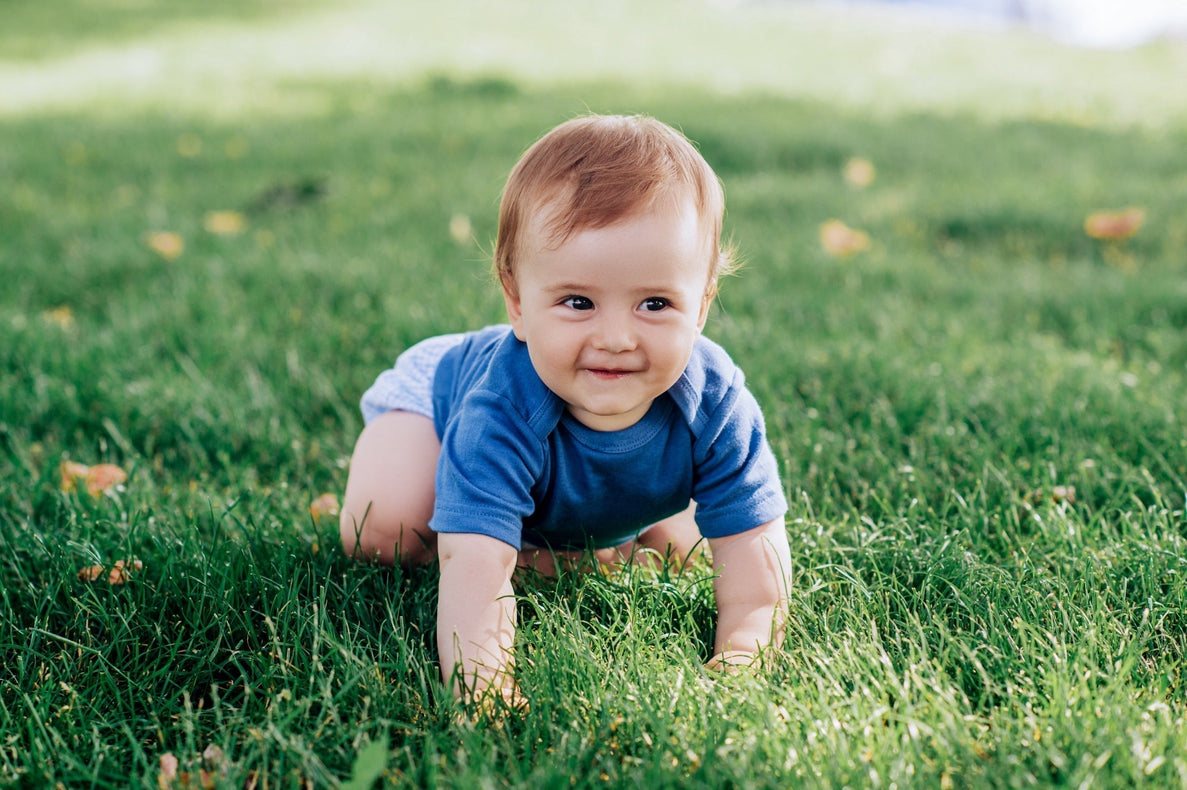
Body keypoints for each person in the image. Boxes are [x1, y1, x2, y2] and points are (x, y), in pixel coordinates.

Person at [340, 114, 792, 705]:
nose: (616, 338)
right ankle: (543, 541)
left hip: (577, 455)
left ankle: (582, 543)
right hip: (438, 403)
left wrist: (741, 660)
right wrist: (486, 690)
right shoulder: (498, 408)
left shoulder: (715, 403)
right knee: (384, 533)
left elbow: (756, 561)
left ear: (702, 305)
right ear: (517, 301)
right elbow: (473, 569)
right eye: (578, 302)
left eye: (655, 303)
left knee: (688, 547)